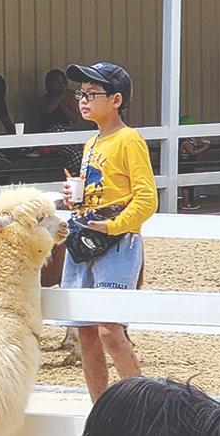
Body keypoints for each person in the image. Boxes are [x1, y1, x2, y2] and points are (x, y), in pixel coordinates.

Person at [61, 61, 154, 402]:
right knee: (86, 331)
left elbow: (146, 198)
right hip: (86, 242)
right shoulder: (92, 144)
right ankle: (100, 408)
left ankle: (142, 406)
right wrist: (76, 197)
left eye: (91, 94)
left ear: (115, 100)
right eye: (81, 94)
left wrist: (113, 226)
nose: (83, 100)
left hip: (117, 244)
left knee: (110, 330)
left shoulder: (129, 140)